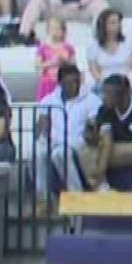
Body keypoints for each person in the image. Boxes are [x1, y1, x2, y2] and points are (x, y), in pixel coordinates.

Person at [36, 63, 100, 207]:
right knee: (38, 153)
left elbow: (93, 126)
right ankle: (44, 199)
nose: (73, 86)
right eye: (68, 83)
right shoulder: (49, 100)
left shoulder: (92, 100)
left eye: (76, 82)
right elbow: (42, 125)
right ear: (60, 83)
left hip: (77, 142)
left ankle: (76, 196)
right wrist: (43, 134)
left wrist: (92, 128)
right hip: (54, 140)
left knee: (60, 154)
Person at [83, 74, 132, 192]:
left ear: (124, 94)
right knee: (88, 152)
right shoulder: (105, 110)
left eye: (109, 93)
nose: (104, 97)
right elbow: (107, 144)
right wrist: (100, 175)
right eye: (104, 92)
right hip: (120, 148)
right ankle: (101, 187)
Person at [88, 8, 132, 84]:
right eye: (113, 22)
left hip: (127, 82)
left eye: (118, 22)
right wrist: (105, 83)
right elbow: (94, 70)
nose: (118, 25)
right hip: (104, 83)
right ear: (103, 25)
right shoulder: (93, 45)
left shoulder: (130, 41)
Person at [36, 15, 79, 100]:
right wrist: (51, 63)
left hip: (64, 82)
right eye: (52, 29)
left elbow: (74, 65)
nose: (55, 32)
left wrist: (65, 62)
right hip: (48, 82)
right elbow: (38, 65)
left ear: (63, 31)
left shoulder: (69, 48)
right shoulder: (43, 47)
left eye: (58, 29)